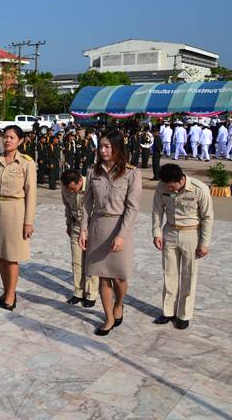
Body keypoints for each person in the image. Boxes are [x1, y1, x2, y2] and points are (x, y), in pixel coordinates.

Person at [79, 130, 142, 336]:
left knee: (119, 277)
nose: (103, 150)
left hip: (120, 226)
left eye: (107, 146)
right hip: (98, 226)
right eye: (101, 146)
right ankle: (108, 318)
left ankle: (119, 303)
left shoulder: (131, 173)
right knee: (103, 277)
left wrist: (121, 235)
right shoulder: (92, 171)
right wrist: (83, 229)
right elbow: (87, 203)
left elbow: (132, 207)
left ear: (117, 148)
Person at [0, 125, 37, 311]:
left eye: (12, 137)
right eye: (5, 136)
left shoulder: (26, 163)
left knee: (12, 257)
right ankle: (6, 292)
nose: (7, 140)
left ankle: (11, 295)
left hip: (16, 211)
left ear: (20, 141)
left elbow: (31, 194)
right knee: (0, 255)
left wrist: (28, 222)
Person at [152, 163, 213, 329]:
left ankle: (184, 315)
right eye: (167, 187)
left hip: (191, 234)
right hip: (170, 233)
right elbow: (157, 211)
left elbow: (207, 217)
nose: (170, 189)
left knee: (189, 275)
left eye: (172, 187)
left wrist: (204, 243)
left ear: (181, 180)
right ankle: (168, 312)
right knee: (169, 274)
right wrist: (156, 233)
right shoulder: (162, 186)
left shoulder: (199, 189)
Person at [61, 169, 98, 308]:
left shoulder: (92, 185)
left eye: (74, 188)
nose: (71, 191)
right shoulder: (65, 188)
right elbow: (67, 207)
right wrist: (68, 224)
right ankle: (78, 292)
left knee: (91, 262)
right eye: (69, 189)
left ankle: (91, 294)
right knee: (77, 262)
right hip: (76, 226)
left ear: (80, 181)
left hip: (92, 227)